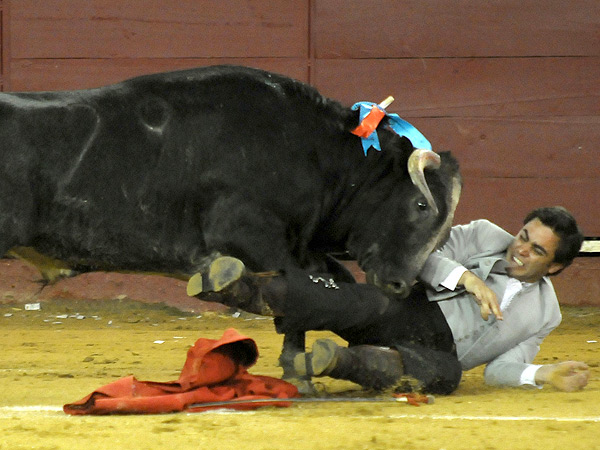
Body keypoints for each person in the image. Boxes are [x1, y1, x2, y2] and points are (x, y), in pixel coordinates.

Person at [188, 206, 590, 394]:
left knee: (446, 376)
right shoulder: (485, 235)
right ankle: (241, 289)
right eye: (523, 237)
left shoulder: (546, 315)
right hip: (409, 308)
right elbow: (420, 255)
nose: (520, 250)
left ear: (555, 267)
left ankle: (338, 362)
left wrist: (543, 374)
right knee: (354, 303)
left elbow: (499, 371)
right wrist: (466, 278)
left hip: (439, 354)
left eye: (537, 251)